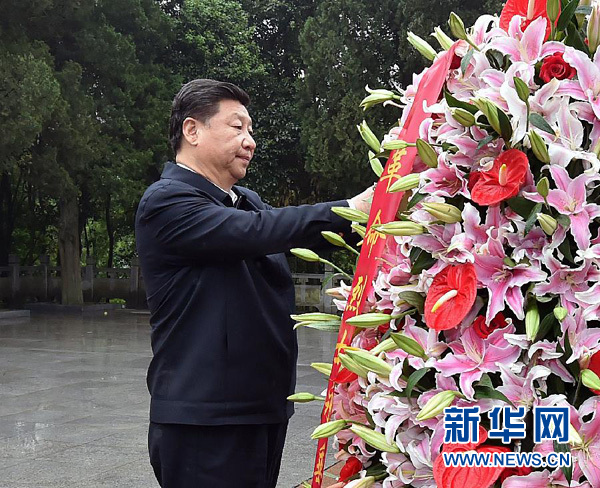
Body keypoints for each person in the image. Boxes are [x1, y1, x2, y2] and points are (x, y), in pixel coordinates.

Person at [135, 79, 374, 488]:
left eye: (251, 130)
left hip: (262, 409)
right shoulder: (166, 201)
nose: (250, 141)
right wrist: (350, 208)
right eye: (237, 127)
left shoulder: (245, 201)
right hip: (206, 421)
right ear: (192, 130)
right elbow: (259, 230)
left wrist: (386, 209)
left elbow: (297, 232)